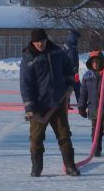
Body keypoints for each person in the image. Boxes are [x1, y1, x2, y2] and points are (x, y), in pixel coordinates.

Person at [20, 28, 81, 177]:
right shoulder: (29, 58)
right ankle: (36, 167)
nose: (39, 44)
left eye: (41, 41)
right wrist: (29, 107)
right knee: (36, 137)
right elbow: (26, 84)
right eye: (36, 42)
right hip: (40, 105)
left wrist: (69, 85)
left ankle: (70, 166)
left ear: (46, 39)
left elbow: (68, 68)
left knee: (64, 134)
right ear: (32, 42)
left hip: (58, 102)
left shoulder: (57, 52)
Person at [63, 29, 81, 110]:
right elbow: (72, 59)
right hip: (72, 71)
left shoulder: (66, 45)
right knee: (77, 87)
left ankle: (66, 103)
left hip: (65, 70)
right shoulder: (72, 48)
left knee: (67, 87)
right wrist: (75, 70)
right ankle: (81, 103)